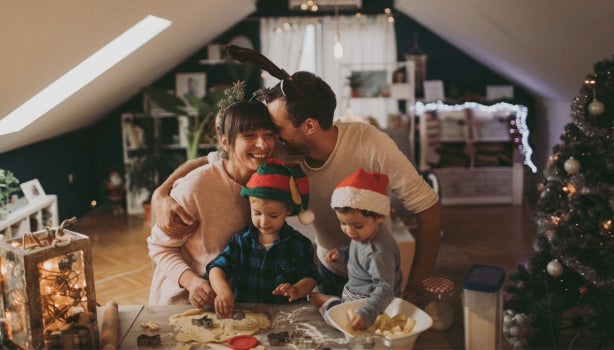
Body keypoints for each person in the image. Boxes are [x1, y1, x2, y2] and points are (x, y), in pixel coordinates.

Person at [151, 45, 441, 301]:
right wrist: (161, 193)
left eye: (275, 129)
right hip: (326, 271)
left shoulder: (372, 144)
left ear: (310, 126)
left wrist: (416, 285)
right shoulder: (282, 148)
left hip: (376, 274)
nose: (268, 140)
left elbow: (427, 206)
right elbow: (217, 159)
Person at [147, 97, 278, 306]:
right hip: (184, 302)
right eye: (249, 135)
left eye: (269, 135)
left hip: (237, 302)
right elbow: (160, 247)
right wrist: (192, 282)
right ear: (224, 141)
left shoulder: (272, 181)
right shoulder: (196, 187)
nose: (262, 144)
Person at [206, 158, 319, 318]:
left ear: (288, 210)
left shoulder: (299, 244)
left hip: (286, 317)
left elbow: (310, 277)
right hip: (245, 316)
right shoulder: (241, 240)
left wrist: (297, 289)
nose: (264, 222)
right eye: (257, 213)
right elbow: (216, 268)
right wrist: (223, 291)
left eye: (273, 215)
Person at [309, 168, 403, 330]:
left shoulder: (379, 252)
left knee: (338, 323)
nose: (350, 231)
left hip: (372, 301)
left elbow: (385, 289)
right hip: (356, 291)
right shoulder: (365, 234)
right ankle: (335, 303)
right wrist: (342, 254)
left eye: (357, 226)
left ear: (380, 216)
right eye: (343, 223)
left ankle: (329, 302)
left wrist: (366, 313)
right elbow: (358, 253)